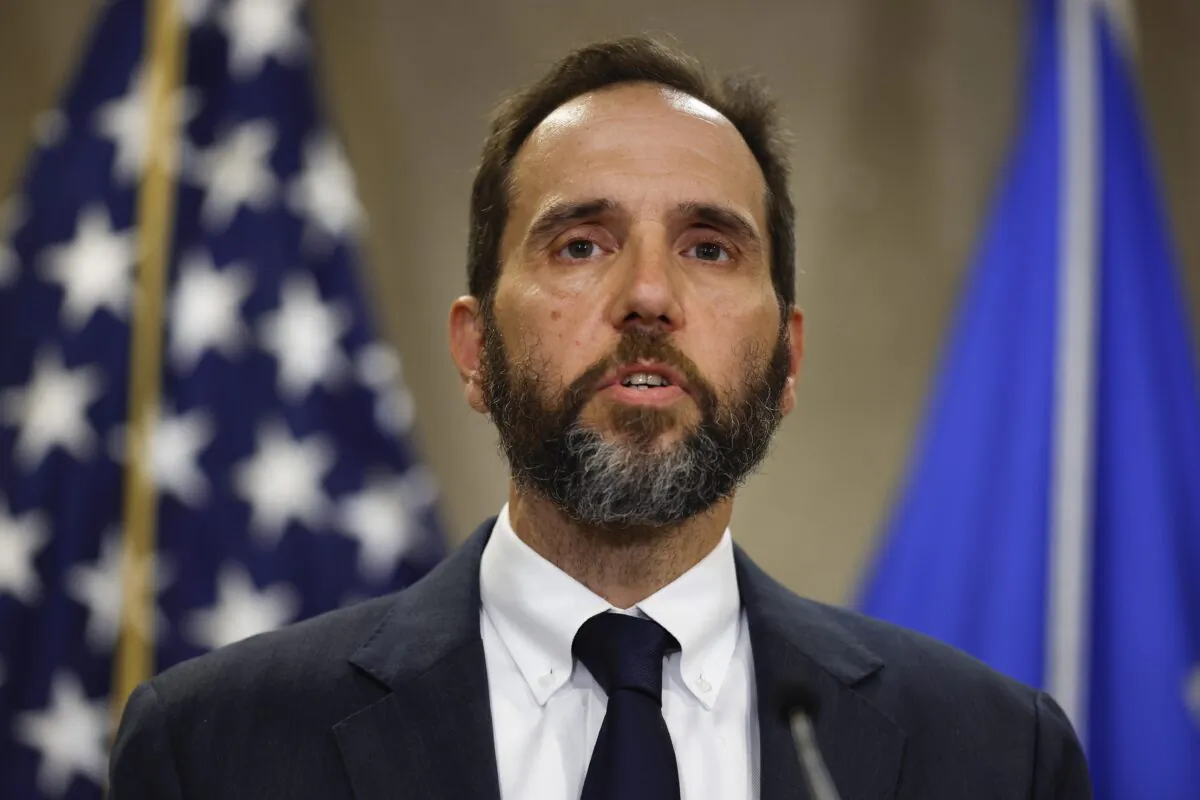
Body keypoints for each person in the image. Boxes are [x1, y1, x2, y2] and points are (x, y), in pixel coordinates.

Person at [110, 36, 1091, 799]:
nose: (649, 294)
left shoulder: (995, 754)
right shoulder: (218, 747)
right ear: (473, 350)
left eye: (710, 248)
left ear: (788, 357)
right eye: (582, 244)